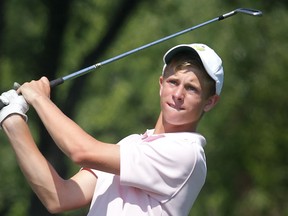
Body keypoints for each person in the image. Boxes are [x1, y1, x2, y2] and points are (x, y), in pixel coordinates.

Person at [0, 43, 224, 216]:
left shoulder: (186, 153)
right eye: (173, 82)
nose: (178, 94)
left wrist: (39, 98)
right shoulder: (130, 144)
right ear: (161, 84)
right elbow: (60, 198)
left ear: (210, 102)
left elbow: (81, 151)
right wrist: (13, 119)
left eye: (192, 88)